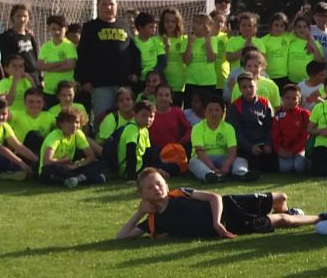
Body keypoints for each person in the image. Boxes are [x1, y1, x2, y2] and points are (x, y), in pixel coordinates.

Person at [115, 167, 315, 239]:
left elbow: (214, 197)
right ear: (142, 194)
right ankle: (320, 217)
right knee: (282, 221)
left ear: (166, 185)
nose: (156, 189)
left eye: (159, 184)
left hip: (229, 205)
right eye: (150, 188)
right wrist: (139, 213)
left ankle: (291, 211)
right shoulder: (154, 221)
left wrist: (216, 222)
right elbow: (121, 236)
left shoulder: (180, 193)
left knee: (281, 198)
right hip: (232, 225)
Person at [77, 0, 141, 123]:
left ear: (117, 6)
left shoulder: (124, 25)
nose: (108, 7)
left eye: (111, 4)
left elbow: (134, 52)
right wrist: (84, 80)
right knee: (102, 120)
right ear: (98, 6)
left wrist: (135, 72)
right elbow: (82, 54)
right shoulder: (90, 27)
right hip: (100, 85)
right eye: (104, 4)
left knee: (126, 119)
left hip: (123, 83)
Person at [39, 108, 109, 187]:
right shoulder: (54, 136)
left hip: (70, 168)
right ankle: (83, 178)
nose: (74, 125)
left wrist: (77, 165)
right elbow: (47, 161)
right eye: (70, 122)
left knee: (102, 163)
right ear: (61, 123)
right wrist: (63, 161)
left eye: (77, 122)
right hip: (54, 168)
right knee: (50, 171)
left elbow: (91, 156)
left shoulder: (78, 134)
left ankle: (75, 179)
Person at [190, 97, 246, 182]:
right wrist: (212, 168)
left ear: (223, 113)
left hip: (223, 158)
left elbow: (232, 151)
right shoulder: (197, 128)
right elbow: (200, 152)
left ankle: (240, 174)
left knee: (240, 160)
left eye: (217, 110)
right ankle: (210, 175)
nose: (213, 113)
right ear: (205, 112)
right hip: (203, 159)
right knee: (193, 163)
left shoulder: (228, 128)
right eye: (210, 110)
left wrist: (226, 165)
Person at [38, 13, 78, 106]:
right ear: (49, 29)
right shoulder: (46, 46)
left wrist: (48, 68)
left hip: (66, 91)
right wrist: (60, 63)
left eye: (60, 29)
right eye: (53, 29)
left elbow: (70, 65)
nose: (57, 32)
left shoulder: (69, 45)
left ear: (66, 29)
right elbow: (39, 65)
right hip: (49, 90)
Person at [271, 83, 310, 173]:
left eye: (294, 98)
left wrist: (293, 151)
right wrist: (280, 150)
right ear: (282, 98)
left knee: (299, 167)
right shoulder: (278, 115)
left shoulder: (304, 114)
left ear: (299, 100)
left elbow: (305, 136)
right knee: (284, 169)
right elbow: (275, 135)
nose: (290, 101)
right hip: (284, 150)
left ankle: (308, 162)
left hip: (299, 149)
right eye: (287, 98)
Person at [0, 4, 41, 84]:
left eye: (25, 16)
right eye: (19, 16)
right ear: (12, 17)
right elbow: (4, 59)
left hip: (33, 76)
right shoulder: (7, 36)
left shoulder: (29, 36)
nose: (22, 19)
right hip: (18, 77)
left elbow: (36, 57)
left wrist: (40, 78)